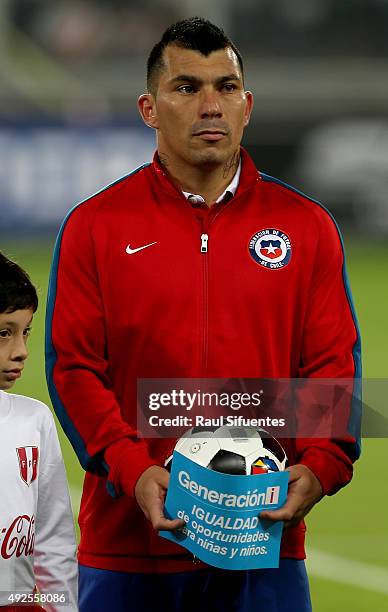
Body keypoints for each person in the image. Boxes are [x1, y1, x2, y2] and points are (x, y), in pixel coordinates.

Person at [45, 17, 361, 612]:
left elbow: (330, 363)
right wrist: (133, 470)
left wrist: (323, 464)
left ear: (248, 104)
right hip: (128, 549)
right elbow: (75, 370)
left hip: (263, 540)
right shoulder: (96, 226)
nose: (210, 105)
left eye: (227, 87)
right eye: (187, 87)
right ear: (149, 107)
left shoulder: (307, 226)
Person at [0, 252, 78, 611]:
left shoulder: (34, 419)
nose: (21, 352)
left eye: (25, 331)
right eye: (4, 333)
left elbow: (55, 541)